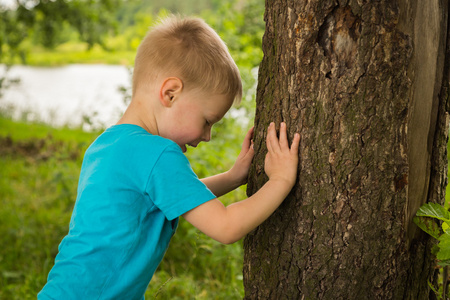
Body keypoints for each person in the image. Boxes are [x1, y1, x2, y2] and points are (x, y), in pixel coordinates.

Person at [38, 16, 300, 299]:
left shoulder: (108, 144)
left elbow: (170, 197)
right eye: (207, 120)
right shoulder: (157, 153)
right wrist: (282, 179)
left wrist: (233, 177)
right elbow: (226, 226)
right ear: (170, 93)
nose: (207, 136)